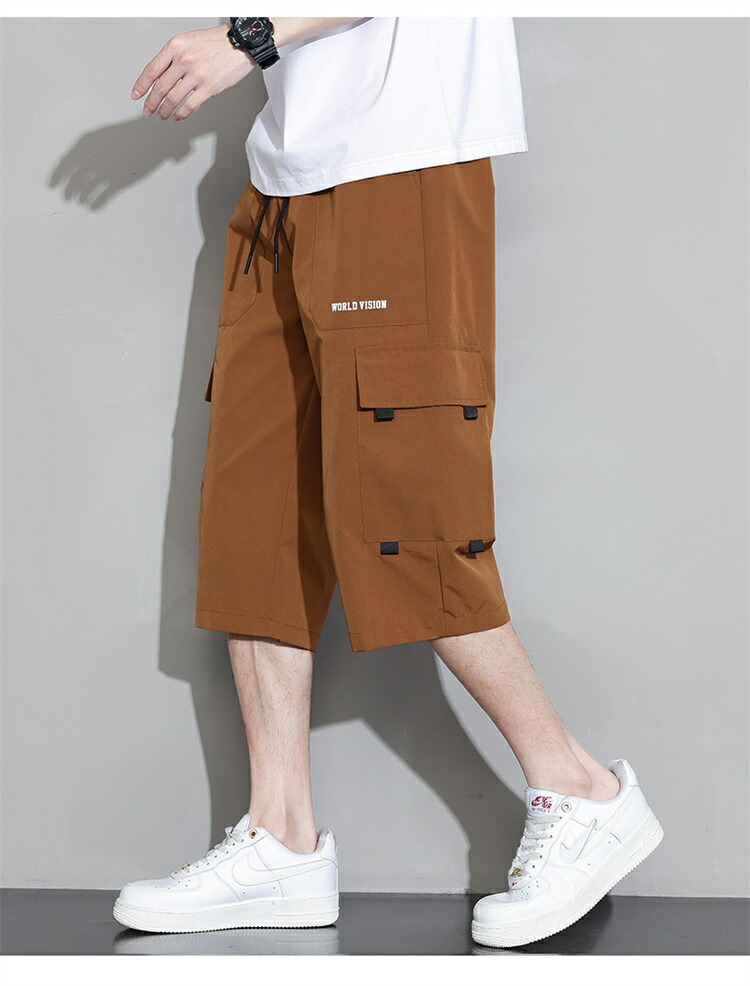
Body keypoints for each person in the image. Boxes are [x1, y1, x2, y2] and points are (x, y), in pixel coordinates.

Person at [113, 17, 663, 948]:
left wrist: (247, 38)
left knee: (408, 511)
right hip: (282, 179)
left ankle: (580, 788)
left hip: (400, 162)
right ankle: (281, 838)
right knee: (256, 521)